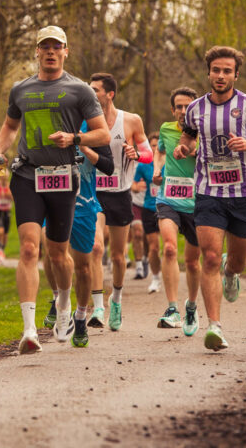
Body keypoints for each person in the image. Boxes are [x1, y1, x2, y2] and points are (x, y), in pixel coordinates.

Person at [0, 25, 110, 354]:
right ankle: (28, 331)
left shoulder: (80, 90)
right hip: (27, 175)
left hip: (63, 177)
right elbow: (11, 125)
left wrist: (75, 139)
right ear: (37, 52)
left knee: (58, 255)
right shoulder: (20, 90)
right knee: (29, 249)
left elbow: (104, 134)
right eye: (45, 47)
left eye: (57, 46)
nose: (51, 52)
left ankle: (65, 306)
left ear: (66, 51)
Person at [174, 47, 246, 351]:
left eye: (227, 71)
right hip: (208, 192)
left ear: (236, 75)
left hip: (244, 193)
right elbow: (188, 136)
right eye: (216, 70)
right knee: (209, 257)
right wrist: (184, 148)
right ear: (208, 73)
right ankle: (214, 327)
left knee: (237, 260)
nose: (220, 76)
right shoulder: (195, 109)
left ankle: (232, 273)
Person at [40, 120, 114, 348]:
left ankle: (81, 316)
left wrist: (83, 146)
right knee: (51, 253)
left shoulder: (94, 128)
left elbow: (109, 167)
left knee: (83, 266)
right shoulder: (48, 121)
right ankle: (57, 300)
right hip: (52, 198)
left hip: (83, 206)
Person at [88, 73, 152, 331]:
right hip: (95, 193)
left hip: (121, 193)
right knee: (95, 248)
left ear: (110, 94)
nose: (91, 94)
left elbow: (148, 154)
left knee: (117, 255)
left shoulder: (132, 120)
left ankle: (115, 300)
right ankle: (98, 307)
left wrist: (136, 153)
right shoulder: (87, 121)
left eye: (95, 90)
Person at [152, 86, 202, 334]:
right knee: (170, 248)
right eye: (179, 107)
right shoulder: (165, 128)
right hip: (168, 197)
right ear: (173, 110)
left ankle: (191, 306)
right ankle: (172, 308)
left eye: (188, 106)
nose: (183, 111)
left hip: (197, 203)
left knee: (192, 263)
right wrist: (157, 170)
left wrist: (193, 150)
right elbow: (159, 152)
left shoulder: (205, 131)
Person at [130, 132, 161, 282]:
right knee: (137, 233)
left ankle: (149, 259)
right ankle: (139, 266)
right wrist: (136, 187)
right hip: (138, 203)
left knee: (150, 241)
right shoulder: (141, 163)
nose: (155, 148)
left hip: (158, 205)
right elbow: (132, 183)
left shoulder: (168, 162)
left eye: (158, 145)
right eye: (152, 146)